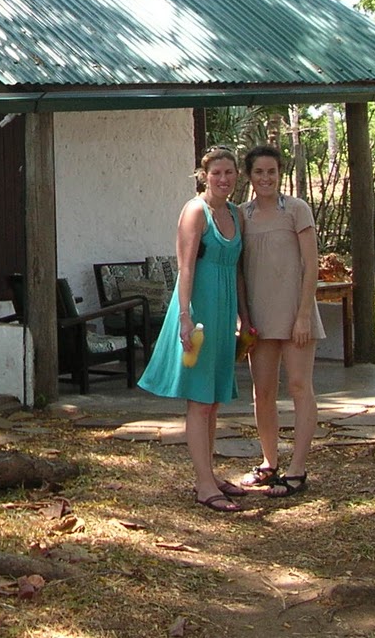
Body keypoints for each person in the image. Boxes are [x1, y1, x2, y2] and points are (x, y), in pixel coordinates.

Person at [137, 146, 251, 513]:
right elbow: (185, 268)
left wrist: (245, 317)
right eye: (216, 173)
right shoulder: (194, 211)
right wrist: (184, 318)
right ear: (204, 175)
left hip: (225, 313)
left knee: (214, 398)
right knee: (199, 400)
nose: (223, 179)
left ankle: (210, 472)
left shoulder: (235, 214)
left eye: (229, 173)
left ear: (237, 176)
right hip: (198, 312)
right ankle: (203, 485)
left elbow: (237, 270)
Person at [237, 144, 323, 498]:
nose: (266, 178)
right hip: (259, 316)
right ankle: (268, 462)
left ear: (280, 173)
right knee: (263, 391)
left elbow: (311, 264)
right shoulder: (242, 215)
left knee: (300, 386)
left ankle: (298, 469)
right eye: (259, 172)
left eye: (271, 171)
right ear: (250, 176)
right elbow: (239, 271)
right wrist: (244, 317)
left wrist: (303, 315)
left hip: (295, 314)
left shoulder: (297, 210)